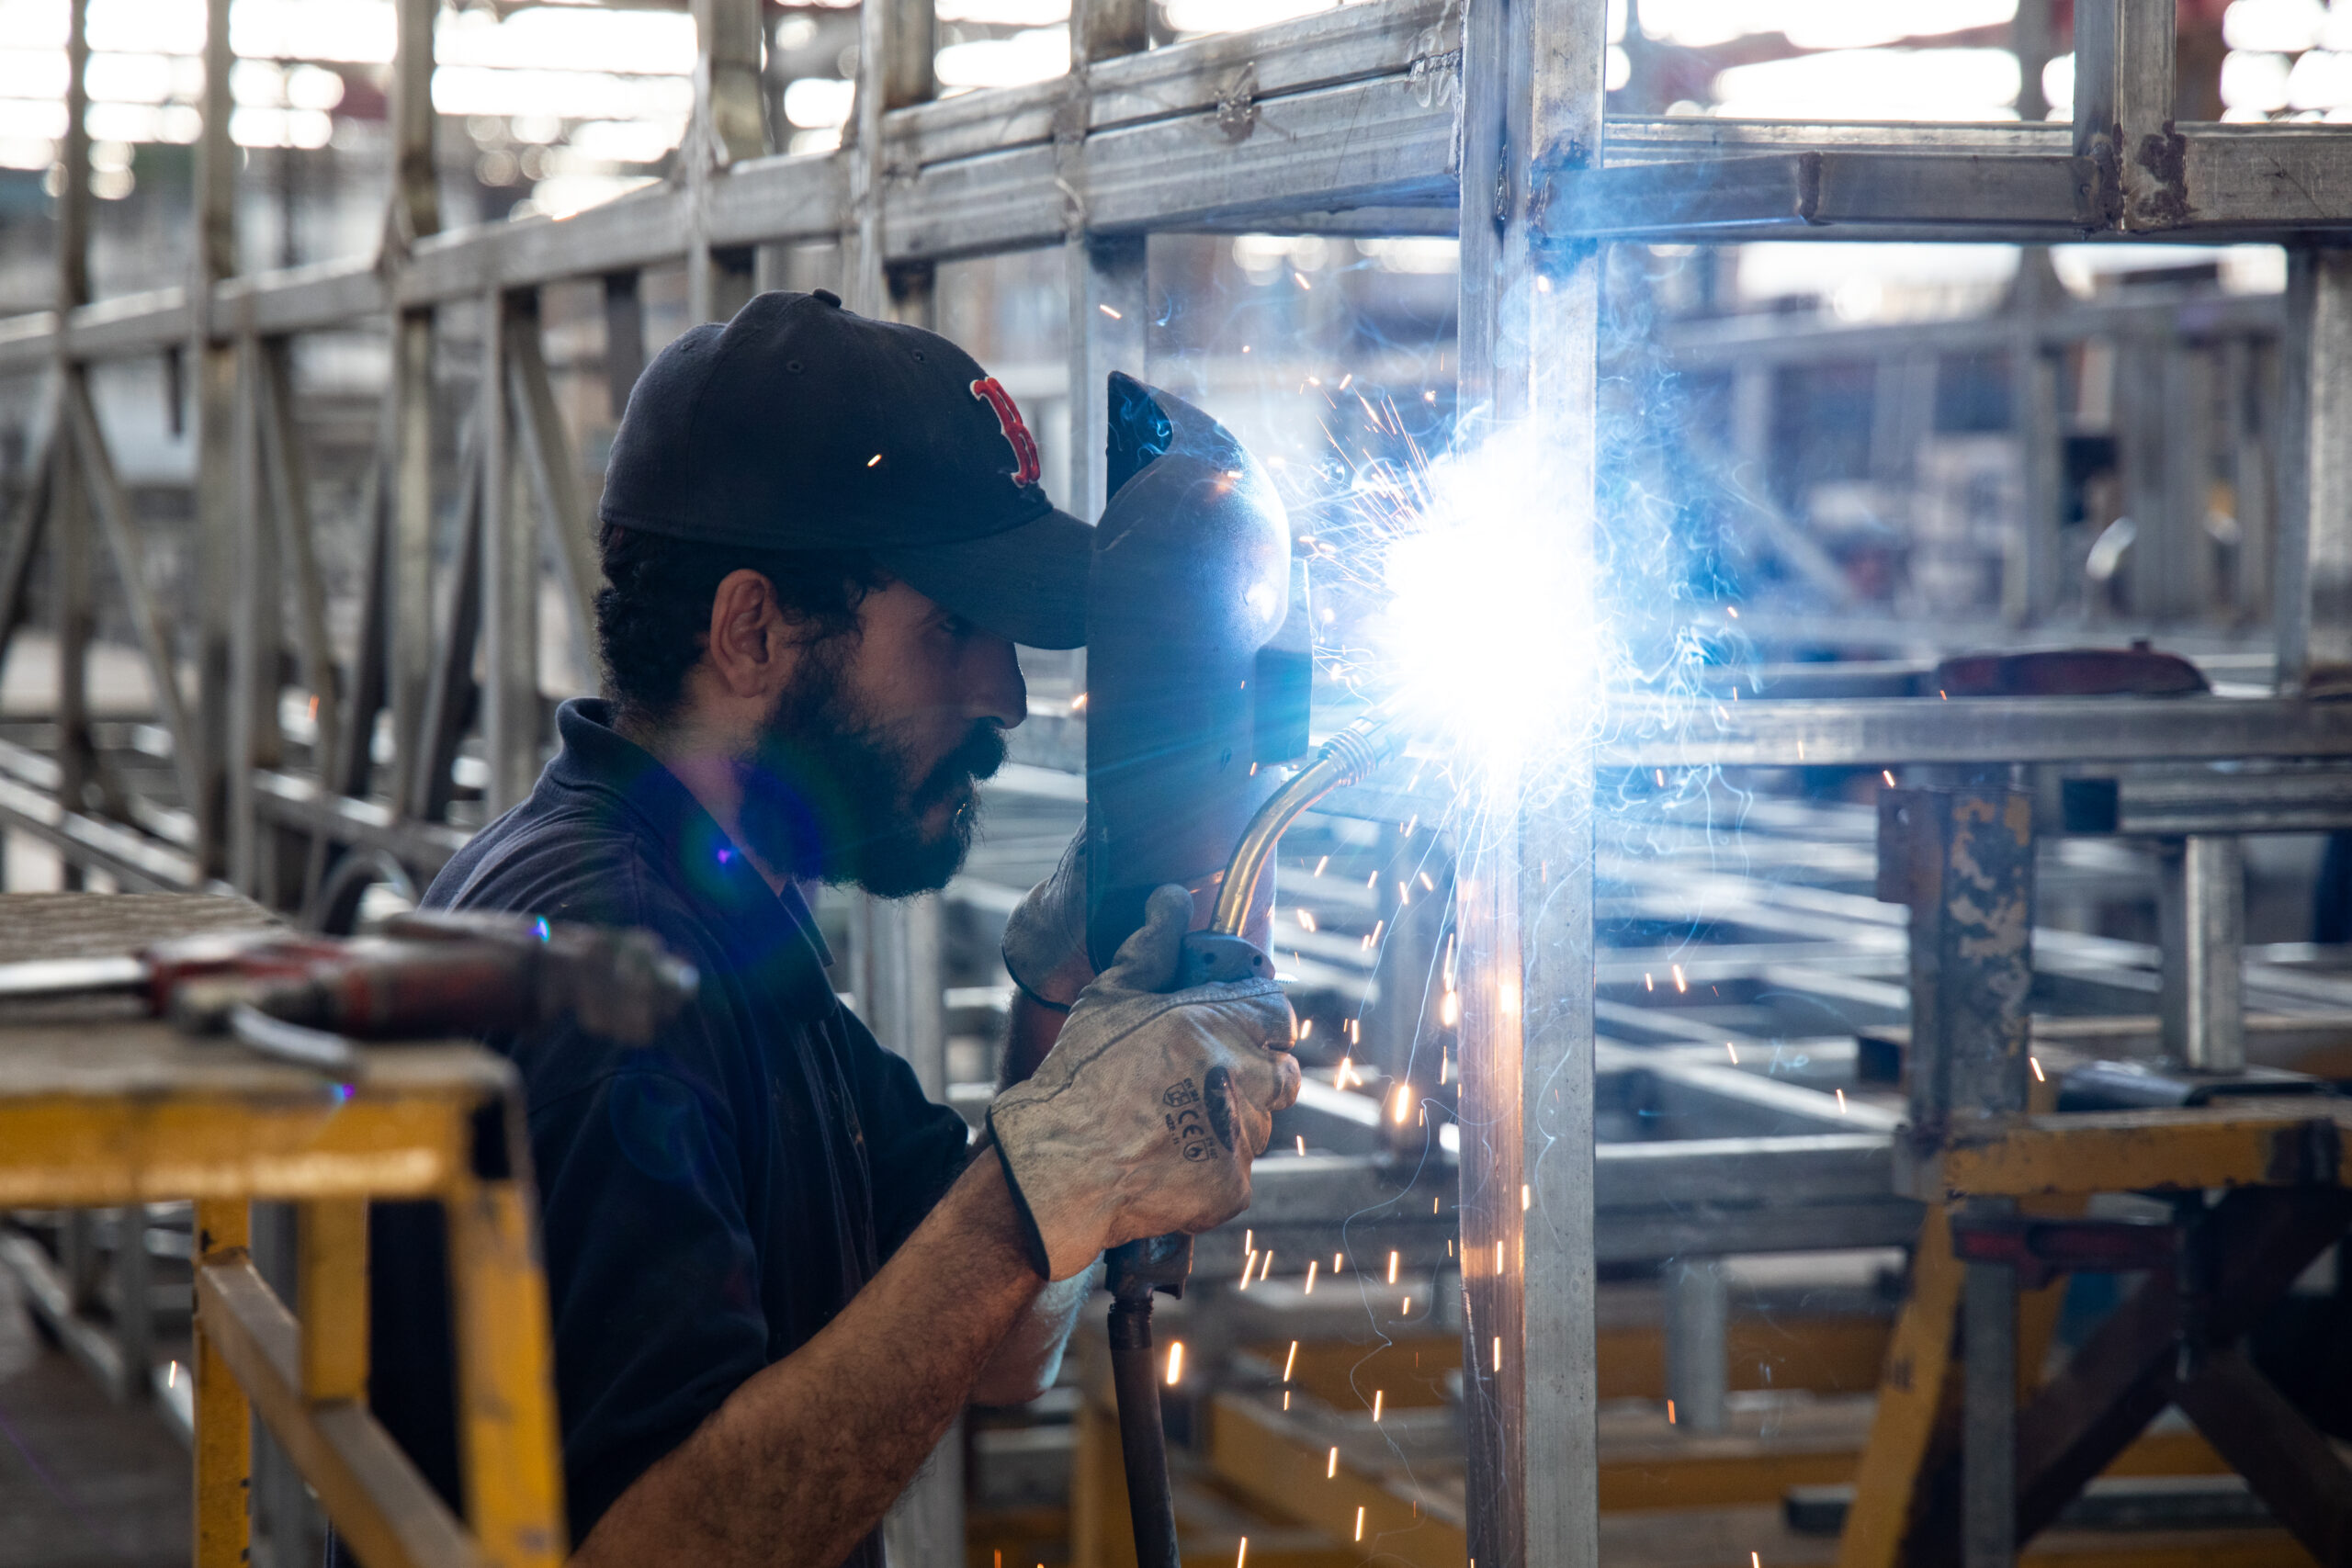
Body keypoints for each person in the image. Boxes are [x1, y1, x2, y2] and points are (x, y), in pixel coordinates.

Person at [363, 290, 1300, 1567]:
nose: (1008, 693)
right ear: (753, 632)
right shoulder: (608, 970)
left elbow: (998, 1342)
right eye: (951, 628)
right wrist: (1034, 1191)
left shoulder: (719, 926)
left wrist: (1067, 1026)